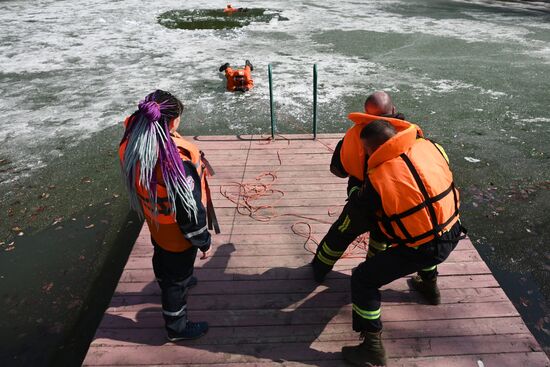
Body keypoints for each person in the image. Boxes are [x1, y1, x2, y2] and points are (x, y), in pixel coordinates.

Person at [338, 120, 465, 366]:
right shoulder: (431, 147)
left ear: (372, 150)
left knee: (363, 279)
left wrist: (355, 189)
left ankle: (371, 347)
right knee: (423, 230)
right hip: (453, 229)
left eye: (365, 150)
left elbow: (359, 211)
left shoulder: (379, 178)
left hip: (425, 248)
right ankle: (429, 286)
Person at [118, 90, 217, 341]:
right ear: (172, 122)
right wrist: (202, 239)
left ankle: (164, 281)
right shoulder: (176, 160)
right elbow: (189, 208)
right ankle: (177, 328)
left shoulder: (134, 140)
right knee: (178, 281)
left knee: (161, 255)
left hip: (155, 221)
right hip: (177, 232)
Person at [312, 92, 423, 281]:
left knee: (340, 235)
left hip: (363, 201)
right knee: (382, 240)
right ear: (394, 110)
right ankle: (375, 271)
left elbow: (337, 170)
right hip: (396, 206)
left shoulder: (355, 135)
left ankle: (319, 270)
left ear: (366, 113)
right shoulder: (411, 134)